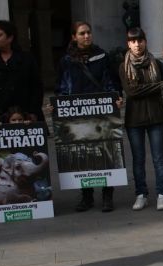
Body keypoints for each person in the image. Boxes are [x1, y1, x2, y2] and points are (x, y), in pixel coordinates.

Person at [55, 21, 121, 212]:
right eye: (82, 33)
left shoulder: (102, 56)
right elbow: (61, 88)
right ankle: (87, 196)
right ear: (74, 37)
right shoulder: (67, 61)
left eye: (89, 32)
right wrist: (60, 105)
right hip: (78, 117)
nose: (87, 36)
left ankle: (108, 196)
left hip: (102, 115)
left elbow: (110, 82)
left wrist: (114, 99)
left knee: (106, 153)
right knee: (82, 154)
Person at [119, 27, 163, 211]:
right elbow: (131, 91)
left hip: (156, 116)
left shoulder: (156, 63)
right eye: (133, 41)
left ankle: (162, 194)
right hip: (134, 119)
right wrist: (157, 86)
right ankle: (141, 194)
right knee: (138, 159)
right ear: (128, 44)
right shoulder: (123, 65)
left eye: (140, 40)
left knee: (159, 158)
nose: (137, 44)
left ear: (145, 41)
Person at [0, 20, 43, 124]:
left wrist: (33, 112)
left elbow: (36, 87)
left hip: (23, 113)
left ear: (10, 38)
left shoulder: (27, 59)